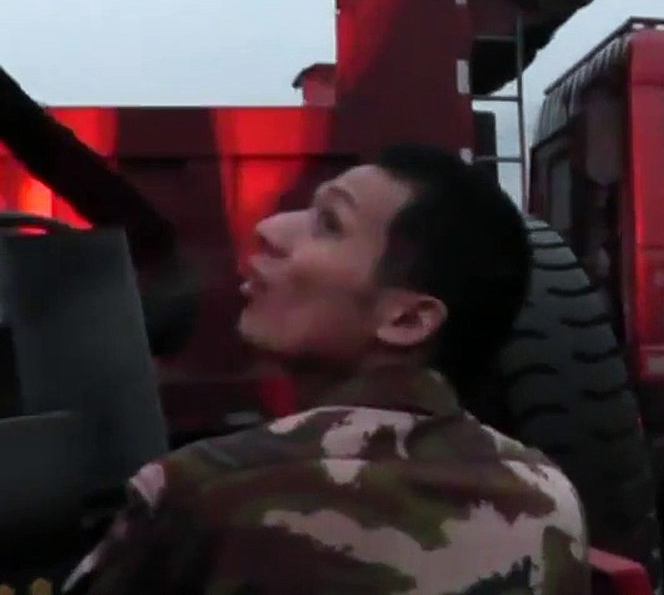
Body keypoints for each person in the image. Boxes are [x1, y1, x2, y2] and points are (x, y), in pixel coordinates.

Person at [62, 144, 590, 595]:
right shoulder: (550, 500)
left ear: (406, 319)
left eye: (329, 223)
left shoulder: (207, 492)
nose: (269, 229)